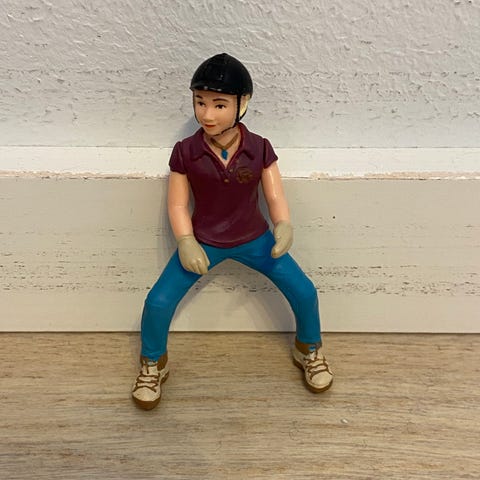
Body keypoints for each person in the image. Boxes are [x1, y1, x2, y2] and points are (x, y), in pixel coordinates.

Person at [132, 53, 333, 410]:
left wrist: (283, 224)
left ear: (244, 104)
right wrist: (186, 241)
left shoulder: (259, 148)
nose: (207, 114)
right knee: (158, 302)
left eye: (219, 104)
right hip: (204, 242)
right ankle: (153, 362)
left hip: (255, 239)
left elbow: (275, 195)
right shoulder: (186, 152)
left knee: (303, 291)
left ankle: (309, 348)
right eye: (200, 102)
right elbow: (178, 205)